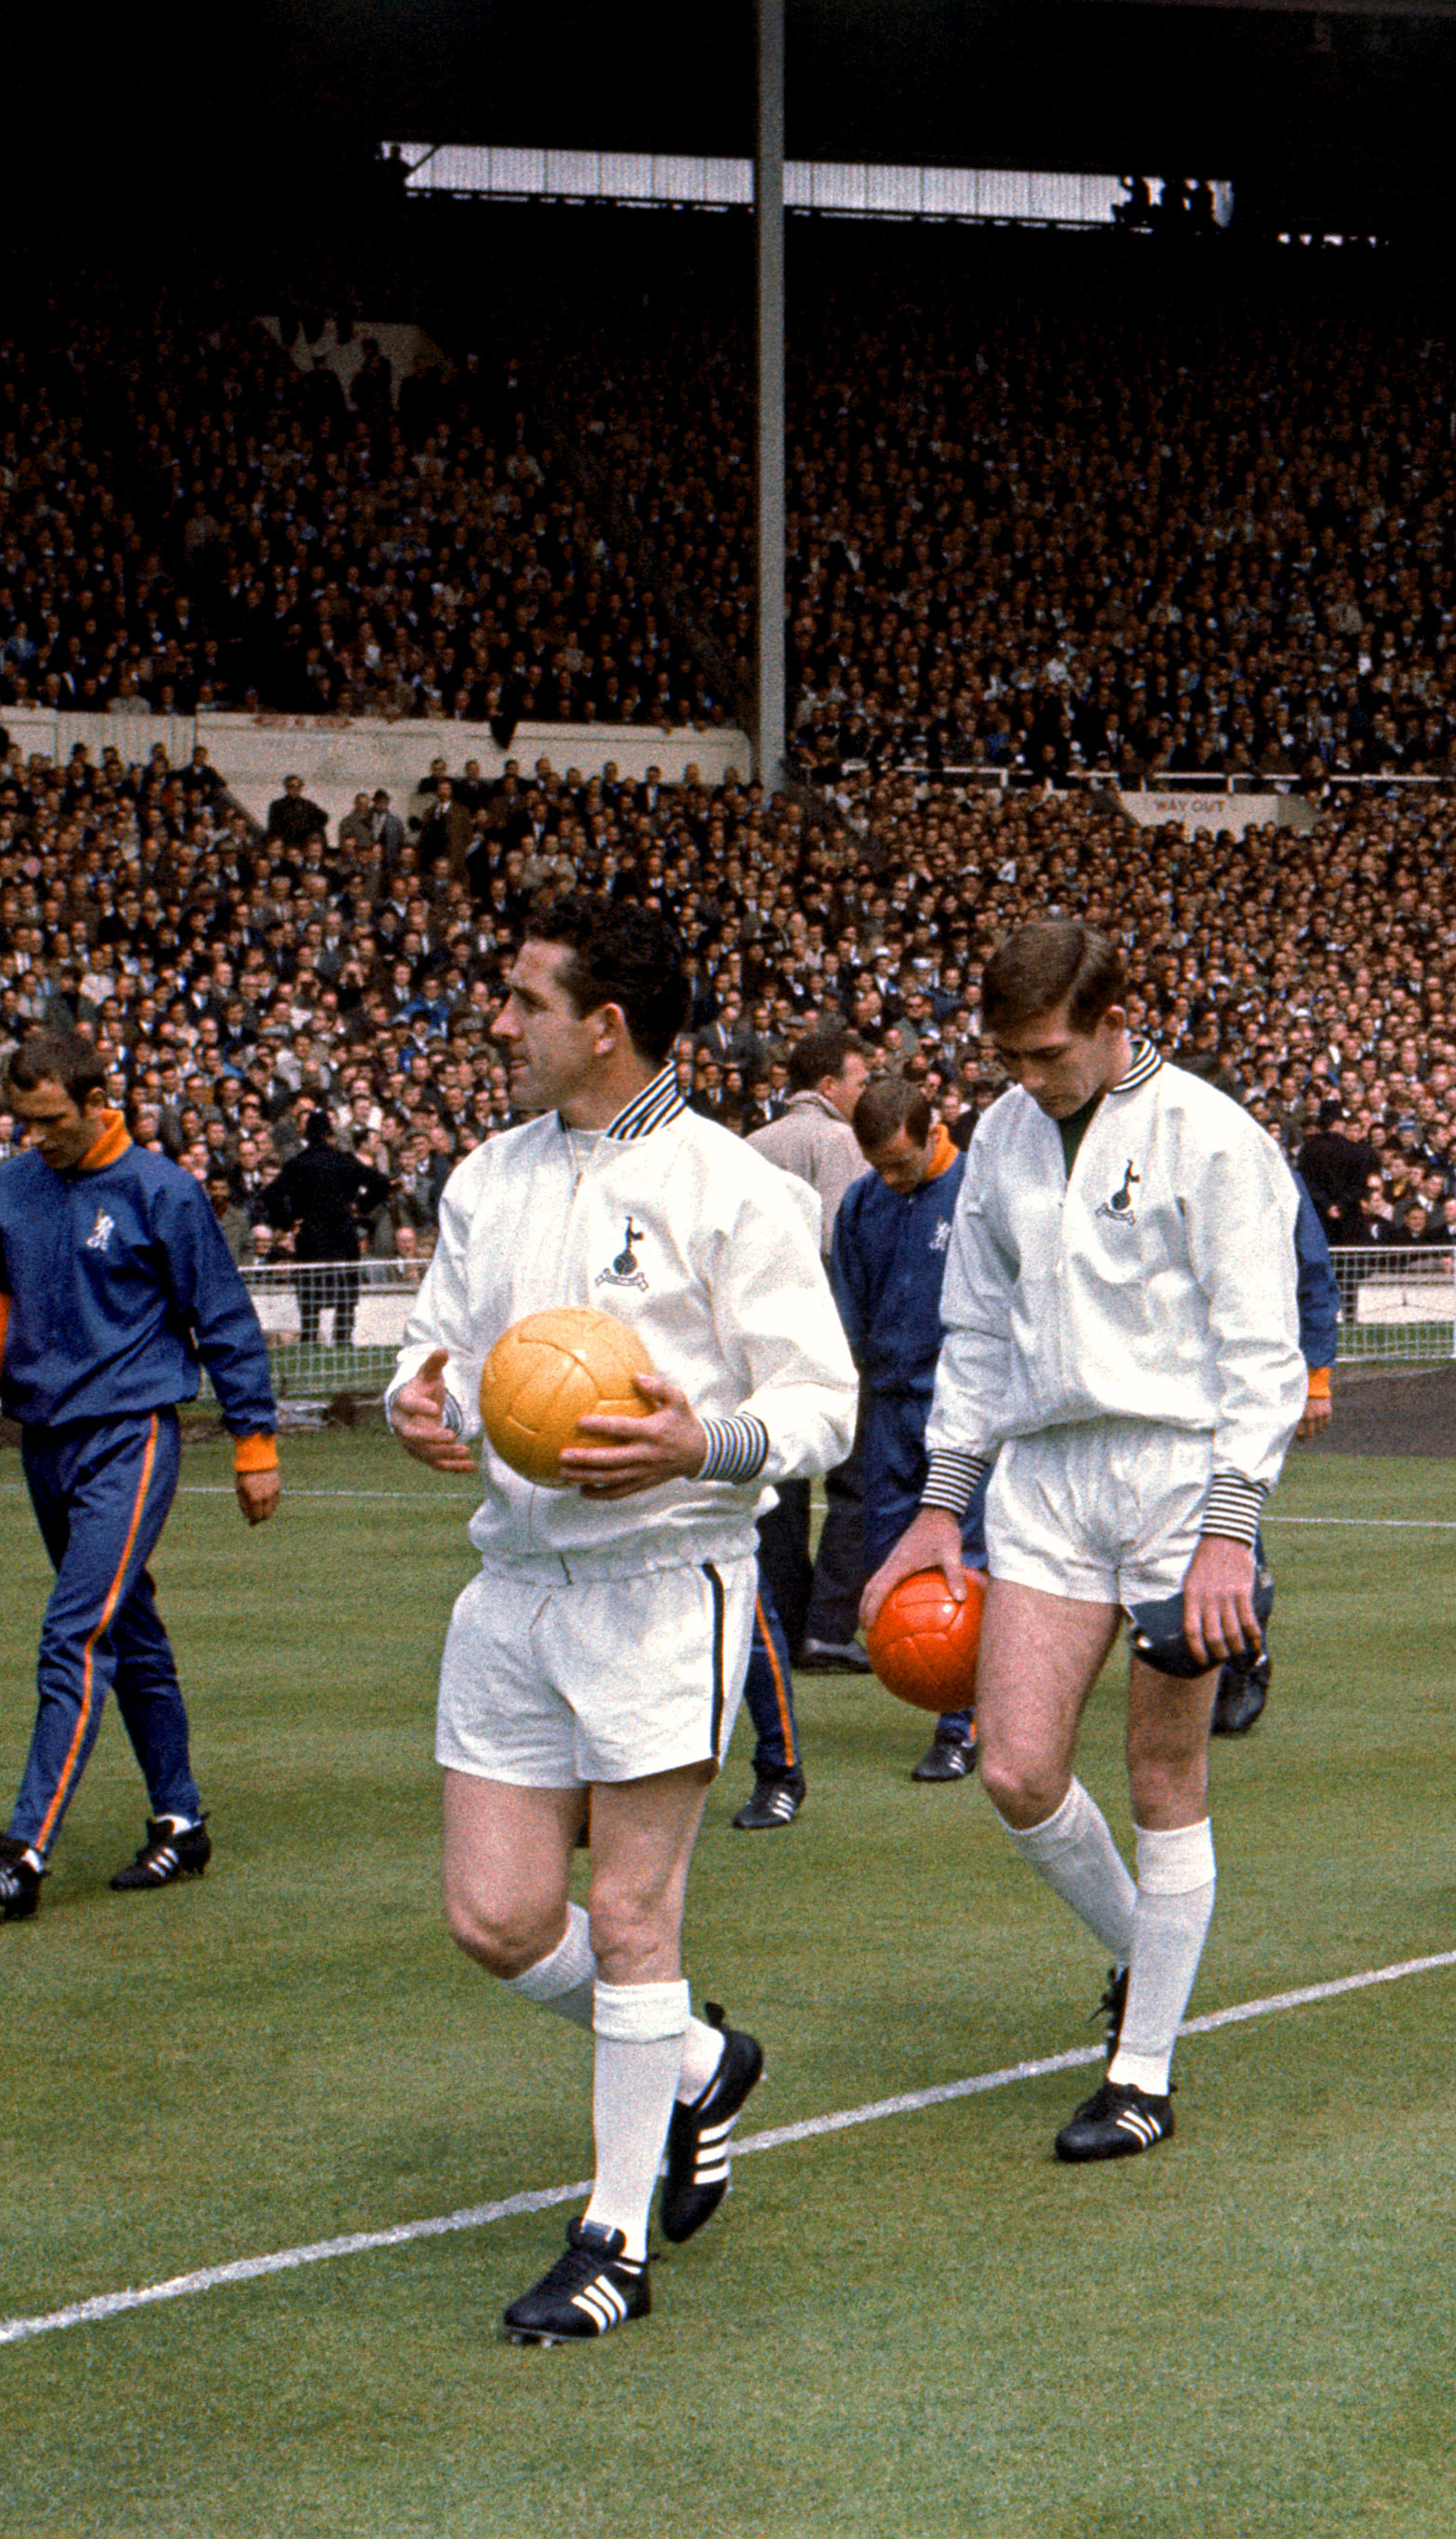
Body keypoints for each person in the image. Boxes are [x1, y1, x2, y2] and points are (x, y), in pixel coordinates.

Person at [381, 893, 856, 2342]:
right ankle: (703, 2063)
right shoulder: (488, 1177)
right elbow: (442, 1348)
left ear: (607, 1025)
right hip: (514, 1588)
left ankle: (614, 2236)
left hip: (665, 1586)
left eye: (528, 1001)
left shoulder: (731, 1188)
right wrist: (424, 1399)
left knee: (637, 1914)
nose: (504, 1024)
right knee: (499, 1916)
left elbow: (821, 1405)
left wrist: (692, 1445)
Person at [858, 917, 1304, 2165]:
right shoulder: (998, 1137)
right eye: (1007, 1057)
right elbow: (979, 1333)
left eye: (1047, 1054)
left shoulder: (1214, 1137)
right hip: (1047, 1475)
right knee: (1015, 1771)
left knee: (1163, 1771)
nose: (1028, 1079)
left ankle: (1143, 2070)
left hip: (1176, 1468)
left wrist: (1231, 1531)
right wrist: (941, 1504)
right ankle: (1142, 1953)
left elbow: (1262, 1349)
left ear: (1117, 1021)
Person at [0, 1026, 284, 1916]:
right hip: (42, 1436)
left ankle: (23, 1852)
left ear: (98, 1099)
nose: (38, 1138)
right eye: (23, 1123)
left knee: (73, 1630)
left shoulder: (161, 1192)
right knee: (129, 1630)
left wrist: (254, 1444)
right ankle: (181, 1824)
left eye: (52, 1121)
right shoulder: (12, 1189)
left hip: (131, 1435)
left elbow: (223, 1319)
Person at [832, 1070, 984, 1785]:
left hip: (966, 1413)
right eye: (877, 1165)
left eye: (900, 1162)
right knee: (894, 1569)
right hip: (890, 1411)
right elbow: (847, 1311)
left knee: (966, 1562)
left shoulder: (978, 1194)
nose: (890, 1178)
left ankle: (963, 1723)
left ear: (934, 1133)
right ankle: (935, 1685)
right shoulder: (862, 1202)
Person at [748, 1022, 876, 1698]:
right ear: (828, 1086)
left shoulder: (750, 1143)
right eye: (860, 1080)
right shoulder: (838, 1140)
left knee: (779, 1491)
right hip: (827, 1336)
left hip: (756, 1345)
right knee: (854, 1486)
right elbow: (839, 1245)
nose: (866, 1093)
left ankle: (779, 1619)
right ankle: (827, 1627)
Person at [1206, 1184, 1339, 1741]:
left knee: (1228, 1511)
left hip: (1241, 1377)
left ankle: (1244, 1655)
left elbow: (1313, 1272)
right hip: (1156, 1376)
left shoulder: (1258, 1164)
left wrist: (1316, 1378)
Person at [257, 1107, 394, 1351]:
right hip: (343, 1231)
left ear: (307, 1137)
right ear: (330, 1136)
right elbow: (382, 1183)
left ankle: (309, 1338)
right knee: (345, 1290)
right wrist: (361, 1207)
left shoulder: (298, 1164)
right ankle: (343, 1338)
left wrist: (288, 1222)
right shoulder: (345, 1161)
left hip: (311, 1233)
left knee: (310, 1289)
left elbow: (270, 1194)